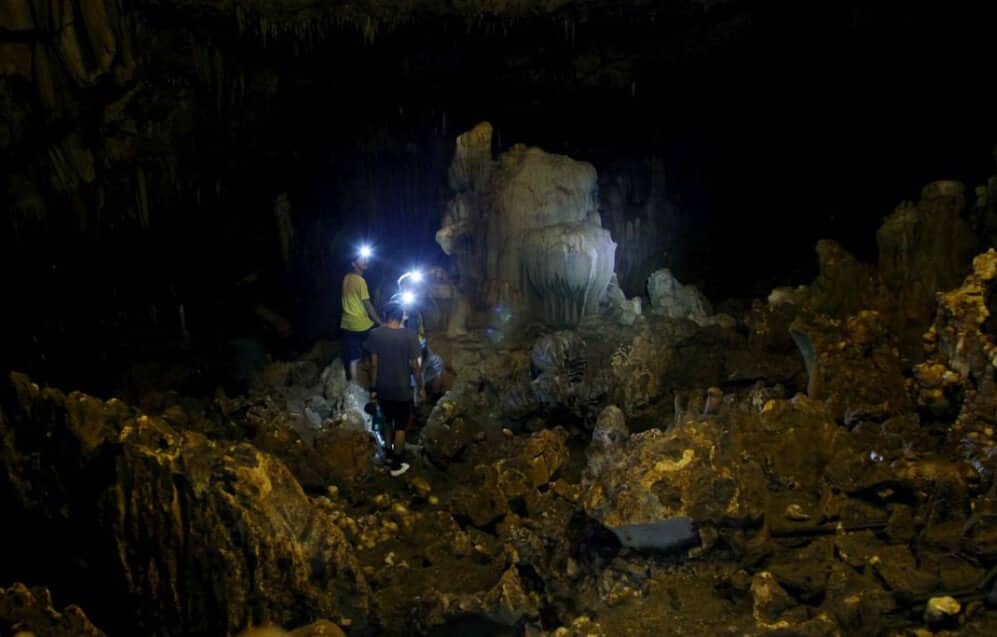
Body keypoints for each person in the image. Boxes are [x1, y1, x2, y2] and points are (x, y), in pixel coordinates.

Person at [366, 302, 423, 476]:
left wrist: (373, 388)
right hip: (401, 388)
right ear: (401, 316)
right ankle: (396, 466)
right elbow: (415, 366)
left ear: (385, 315)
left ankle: (389, 455)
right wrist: (420, 387)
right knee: (401, 425)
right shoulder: (410, 336)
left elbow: (373, 364)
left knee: (387, 421)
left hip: (382, 387)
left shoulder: (375, 334)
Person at [341, 253, 381, 382]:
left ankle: (353, 386)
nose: (365, 260)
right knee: (376, 347)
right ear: (353, 264)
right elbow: (367, 304)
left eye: (366, 258)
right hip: (360, 323)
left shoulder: (346, 278)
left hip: (347, 323)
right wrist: (379, 322)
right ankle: (375, 380)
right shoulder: (360, 280)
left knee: (353, 357)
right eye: (361, 259)